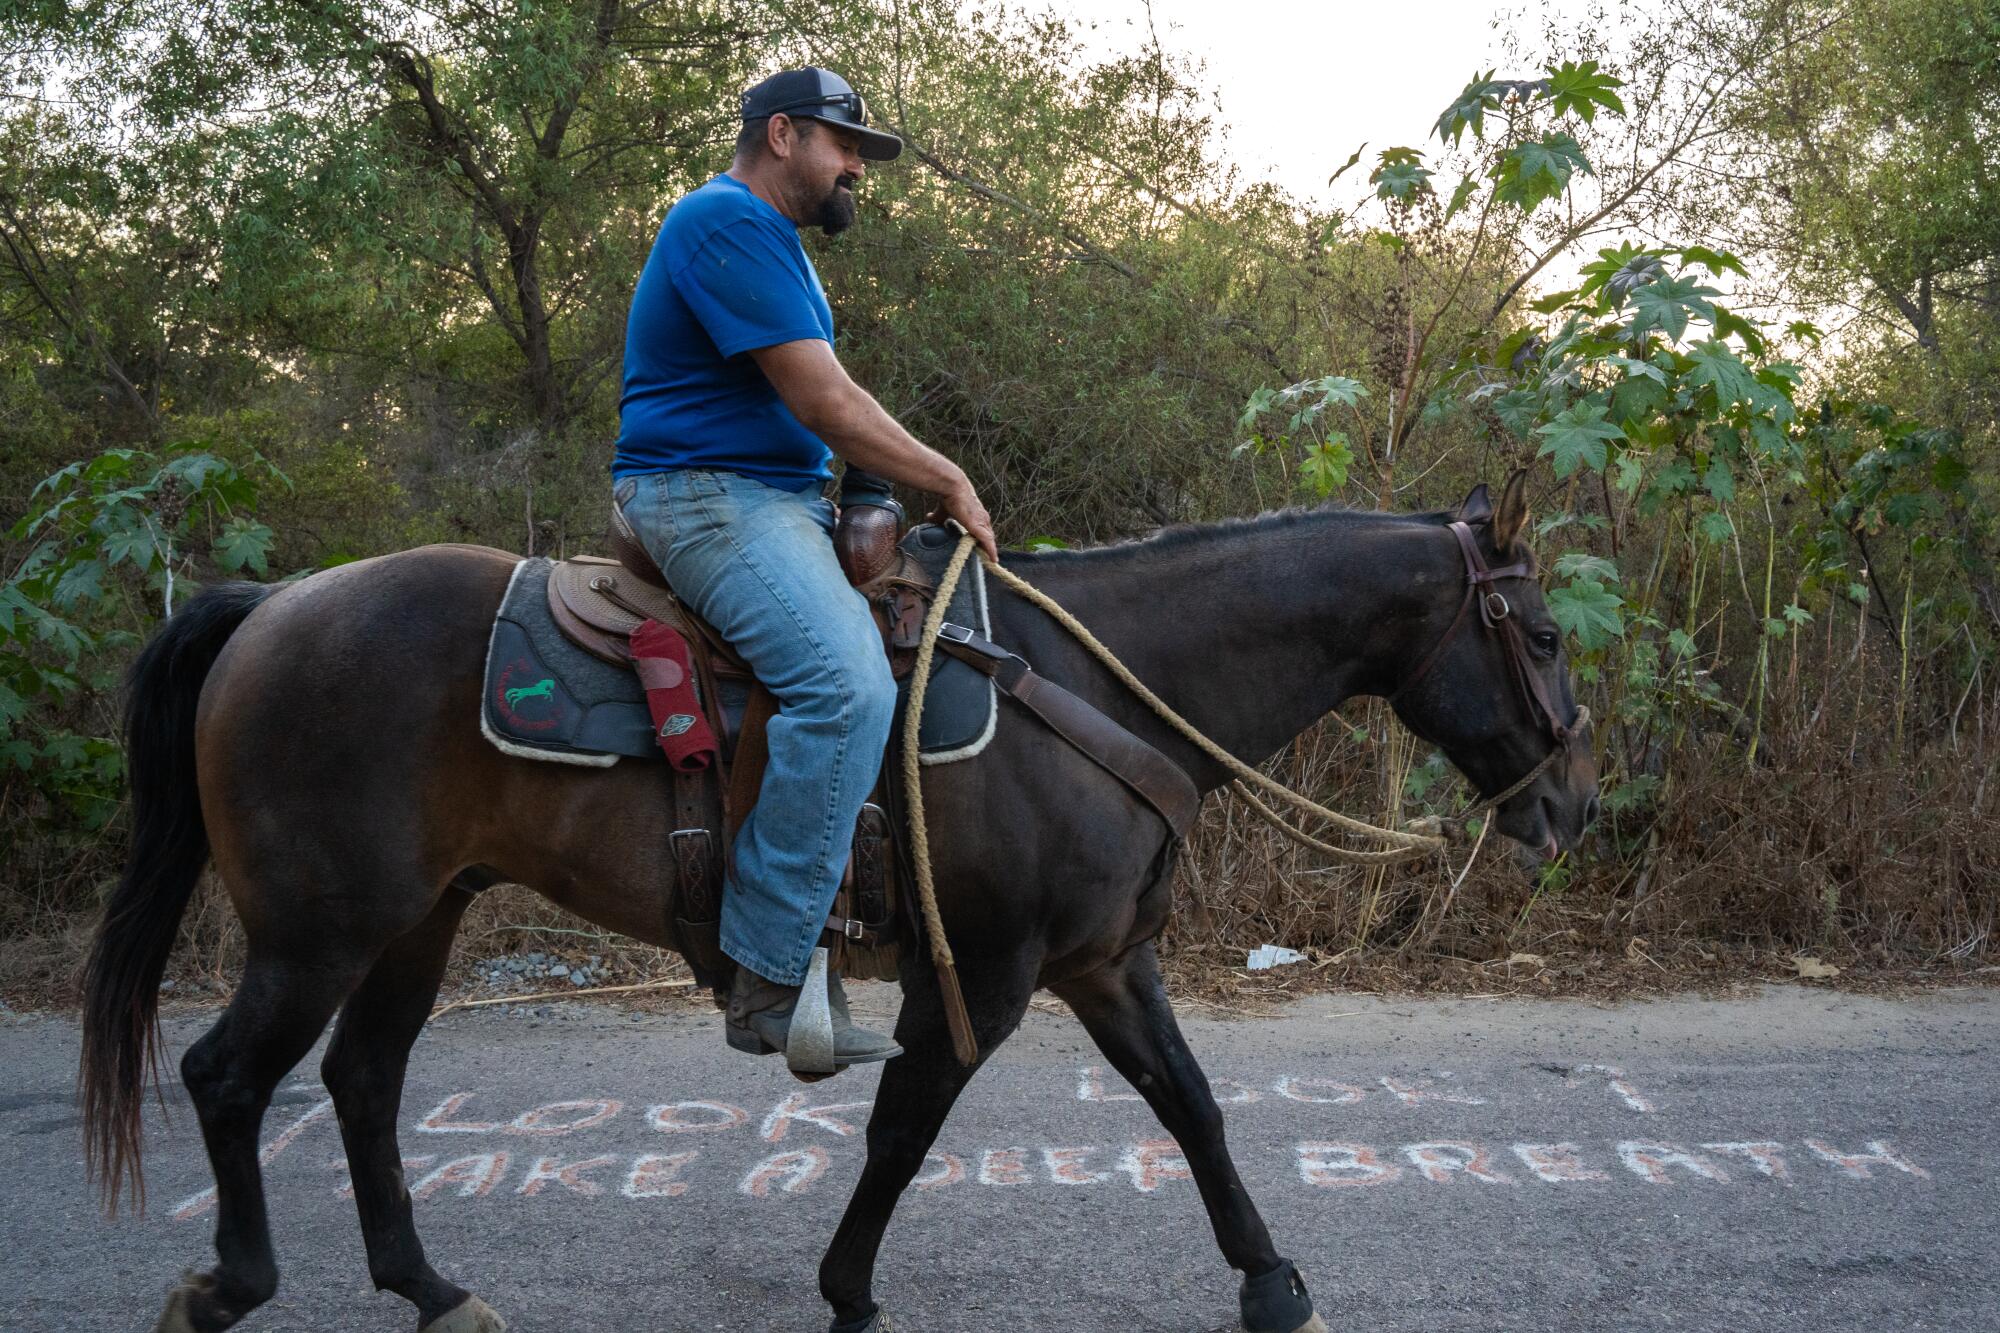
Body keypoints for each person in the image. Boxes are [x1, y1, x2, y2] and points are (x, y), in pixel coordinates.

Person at [611, 67, 999, 1072]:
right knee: (842, 685)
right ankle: (770, 977)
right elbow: (822, 399)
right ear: (781, 135)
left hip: (770, 497)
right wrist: (947, 477)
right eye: (843, 148)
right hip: (706, 495)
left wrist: (875, 478)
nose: (855, 171)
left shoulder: (770, 241)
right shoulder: (722, 220)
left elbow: (823, 401)